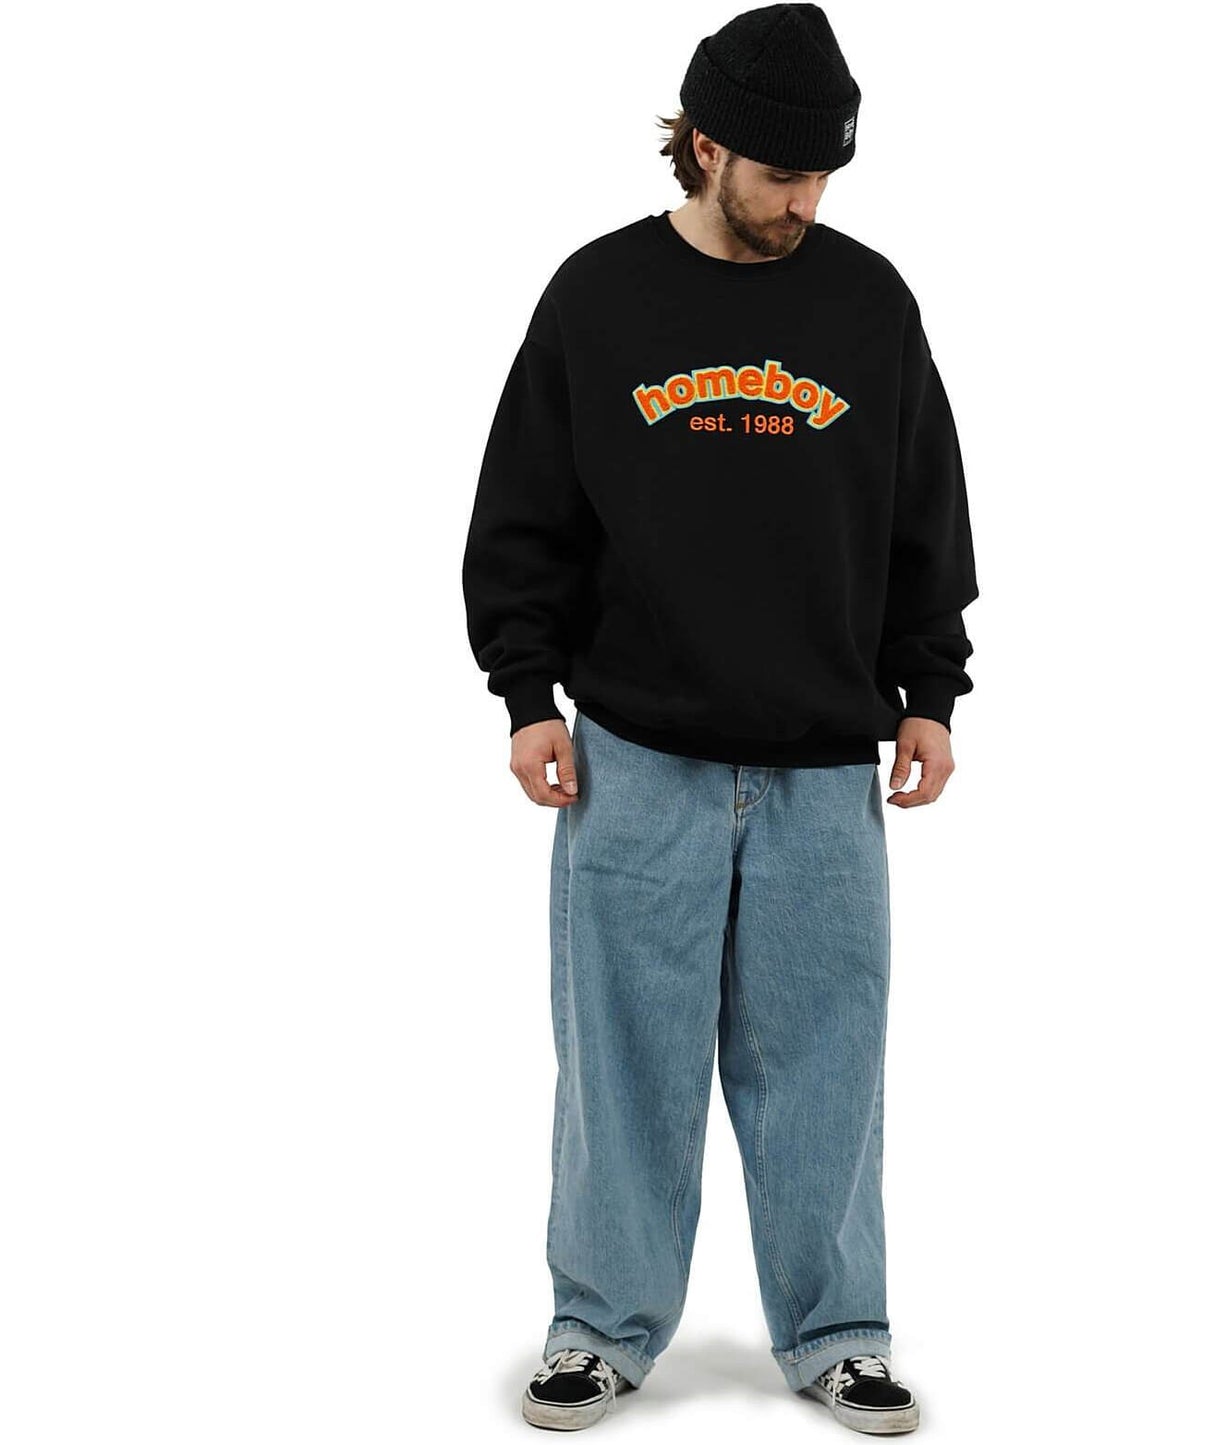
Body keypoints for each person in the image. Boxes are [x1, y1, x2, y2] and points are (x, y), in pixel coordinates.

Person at [461, 4, 978, 1432]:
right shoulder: (598, 296)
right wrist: (525, 692)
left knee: (826, 1064)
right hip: (634, 756)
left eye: (825, 177)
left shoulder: (868, 304)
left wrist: (931, 688)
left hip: (823, 763)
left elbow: (925, 511)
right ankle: (598, 1325)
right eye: (781, 175)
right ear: (703, 145)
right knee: (621, 1062)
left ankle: (838, 1330)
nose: (805, 203)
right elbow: (525, 510)